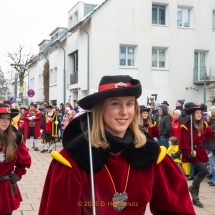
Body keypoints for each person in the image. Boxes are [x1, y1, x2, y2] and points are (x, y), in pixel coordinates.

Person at [39, 75, 195, 215]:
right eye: (115, 104)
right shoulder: (72, 160)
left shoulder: (152, 154)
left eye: (129, 104)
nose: (124, 112)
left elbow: (176, 208)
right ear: (100, 109)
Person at [179, 105, 215, 208]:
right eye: (197, 113)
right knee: (204, 170)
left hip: (200, 150)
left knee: (200, 172)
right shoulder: (186, 126)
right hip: (191, 152)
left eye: (200, 113)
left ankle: (195, 197)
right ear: (193, 115)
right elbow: (183, 143)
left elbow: (210, 134)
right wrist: (187, 154)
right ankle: (193, 189)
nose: (199, 115)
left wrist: (206, 138)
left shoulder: (204, 124)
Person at [0, 103, 31, 215]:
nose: (6, 121)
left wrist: (18, 174)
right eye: (2, 118)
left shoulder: (16, 139)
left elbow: (24, 162)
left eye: (8, 118)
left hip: (6, 189)